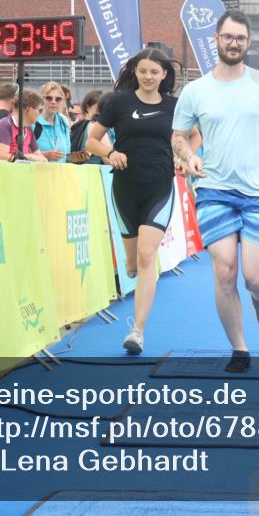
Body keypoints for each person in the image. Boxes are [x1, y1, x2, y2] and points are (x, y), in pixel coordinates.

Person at [172, 10, 259, 373]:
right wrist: (189, 156)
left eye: (240, 38)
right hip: (214, 189)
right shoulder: (195, 91)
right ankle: (240, 348)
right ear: (216, 39)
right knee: (225, 272)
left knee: (253, 276)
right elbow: (178, 137)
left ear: (249, 42)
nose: (233, 43)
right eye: (227, 37)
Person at [86, 50, 192, 354]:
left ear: (163, 75)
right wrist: (109, 153)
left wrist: (184, 157)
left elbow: (192, 137)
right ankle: (131, 265)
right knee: (133, 262)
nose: (148, 77)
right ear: (136, 72)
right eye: (143, 71)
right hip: (125, 189)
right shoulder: (118, 102)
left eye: (154, 72)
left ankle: (138, 331)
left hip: (159, 187)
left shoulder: (175, 106)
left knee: (148, 256)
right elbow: (92, 140)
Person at [0, 89, 47, 162]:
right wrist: (29, 157)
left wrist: (27, 157)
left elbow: (41, 158)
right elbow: (1, 157)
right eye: (40, 110)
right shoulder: (5, 125)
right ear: (29, 110)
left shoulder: (28, 129)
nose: (40, 114)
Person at [37, 81, 72, 163]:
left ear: (62, 101)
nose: (53, 102)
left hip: (60, 174)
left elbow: (67, 155)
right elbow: (22, 154)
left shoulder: (64, 122)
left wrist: (76, 158)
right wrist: (45, 155)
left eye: (58, 99)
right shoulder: (32, 122)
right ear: (42, 99)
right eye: (49, 98)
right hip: (38, 174)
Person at [70, 90, 106, 165]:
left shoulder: (77, 126)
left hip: (79, 171)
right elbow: (107, 159)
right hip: (96, 172)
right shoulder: (96, 126)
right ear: (87, 107)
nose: (102, 109)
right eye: (99, 106)